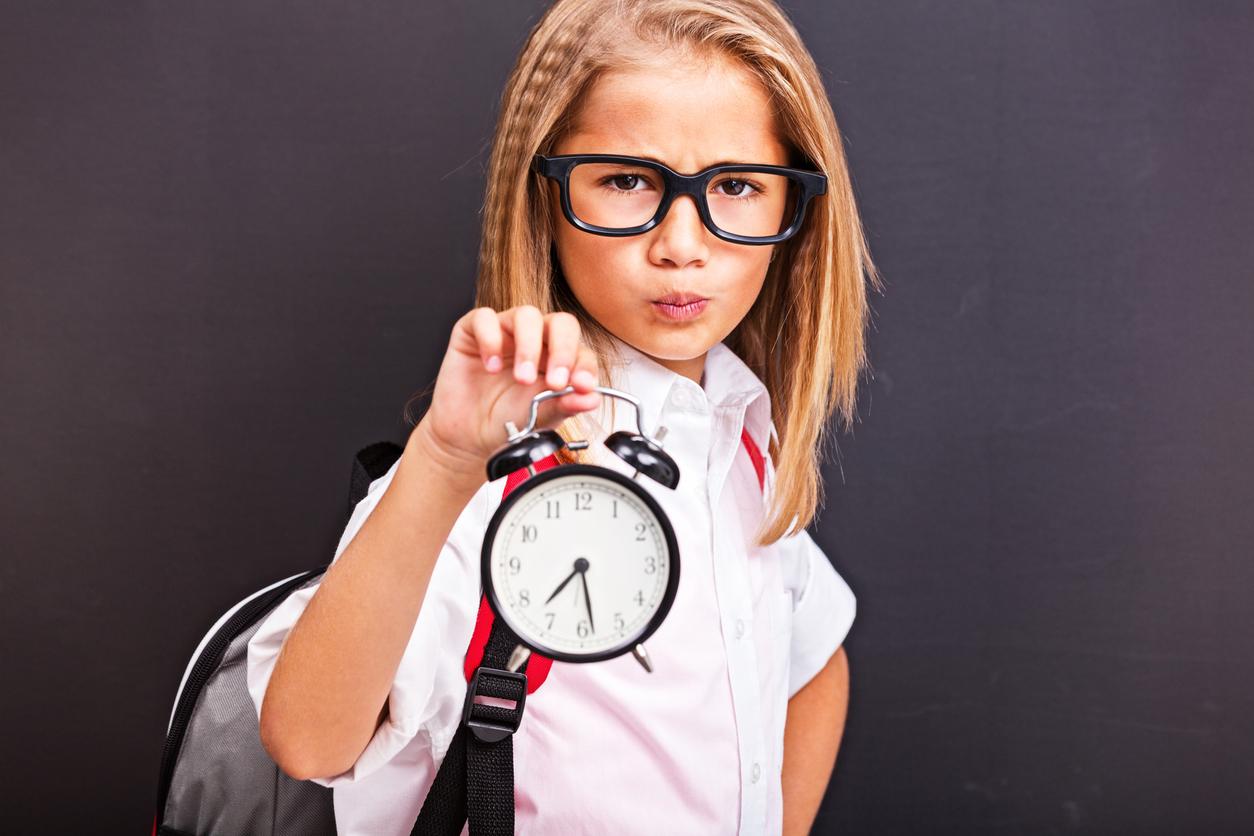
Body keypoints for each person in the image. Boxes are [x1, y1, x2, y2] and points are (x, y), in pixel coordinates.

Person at [248, 0, 880, 833]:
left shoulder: (737, 433)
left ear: (792, 210)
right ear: (545, 194)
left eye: (735, 185)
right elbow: (309, 740)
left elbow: (814, 657)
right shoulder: (493, 465)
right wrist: (441, 462)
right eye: (627, 180)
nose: (682, 243)